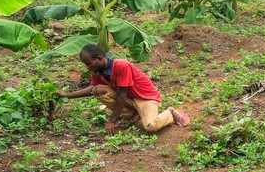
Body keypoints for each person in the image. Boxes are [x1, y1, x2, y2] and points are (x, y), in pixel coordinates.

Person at [57, 44, 189, 135]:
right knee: (98, 90)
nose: (87, 67)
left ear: (99, 58)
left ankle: (170, 113)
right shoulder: (97, 71)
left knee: (151, 126)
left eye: (89, 63)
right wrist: (66, 95)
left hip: (145, 98)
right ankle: (133, 114)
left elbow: (122, 94)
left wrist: (112, 121)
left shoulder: (121, 65)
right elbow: (92, 89)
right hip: (130, 99)